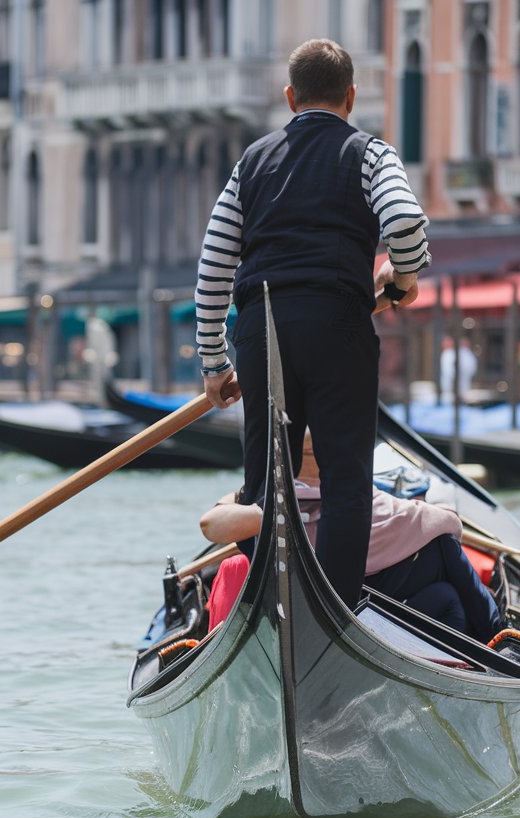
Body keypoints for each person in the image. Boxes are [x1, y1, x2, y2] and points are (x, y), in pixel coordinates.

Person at [194, 38, 431, 610]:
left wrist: (214, 364)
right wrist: (403, 277)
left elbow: (213, 269)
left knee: (263, 488)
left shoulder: (251, 162)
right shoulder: (371, 153)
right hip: (338, 325)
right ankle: (334, 611)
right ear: (351, 96)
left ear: (289, 98)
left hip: (262, 328)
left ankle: (265, 610)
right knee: (348, 483)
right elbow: (404, 223)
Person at [199, 434, 502, 641]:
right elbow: (445, 522)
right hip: (349, 617)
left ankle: (484, 639)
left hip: (338, 618)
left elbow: (211, 524)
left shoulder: (270, 509)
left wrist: (244, 497)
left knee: (446, 591)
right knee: (445, 557)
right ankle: (495, 634)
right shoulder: (292, 506)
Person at [439, 336, 477, 404]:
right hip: (452, 382)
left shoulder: (454, 353)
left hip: (457, 380)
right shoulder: (449, 353)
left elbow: (470, 366)